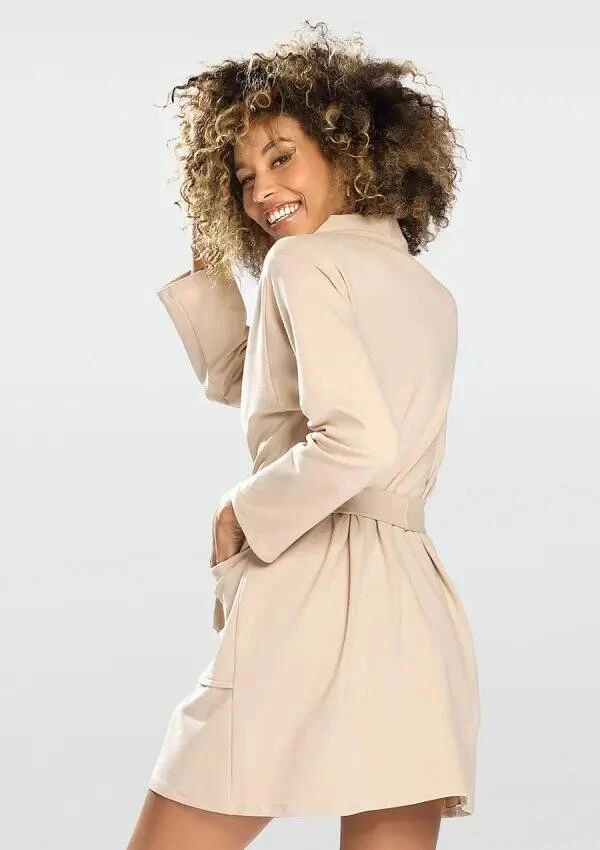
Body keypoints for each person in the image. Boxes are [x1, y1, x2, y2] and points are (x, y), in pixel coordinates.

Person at [126, 21, 481, 850]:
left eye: (282, 157)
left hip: (317, 581)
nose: (261, 191)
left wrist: (242, 510)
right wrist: (212, 256)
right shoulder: (428, 293)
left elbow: (355, 441)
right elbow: (252, 381)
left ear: (349, 149)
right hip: (411, 600)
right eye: (242, 177)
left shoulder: (302, 265)